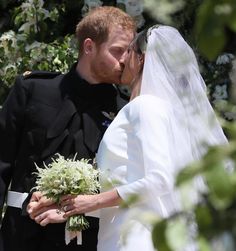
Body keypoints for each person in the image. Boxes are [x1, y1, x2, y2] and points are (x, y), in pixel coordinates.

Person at [28, 25, 228, 250]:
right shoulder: (154, 108)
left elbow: (160, 180)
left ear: (142, 59)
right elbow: (131, 187)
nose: (123, 59)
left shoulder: (146, 107)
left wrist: (92, 201)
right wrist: (71, 207)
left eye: (129, 52)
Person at [0, 6, 136, 251]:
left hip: (90, 241)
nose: (124, 60)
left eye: (128, 52)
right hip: (20, 236)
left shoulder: (126, 112)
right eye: (117, 51)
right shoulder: (32, 90)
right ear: (89, 46)